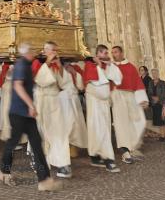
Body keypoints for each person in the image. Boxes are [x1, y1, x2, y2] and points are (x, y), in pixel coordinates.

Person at [0, 43, 62, 192]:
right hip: (18, 113)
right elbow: (18, 86)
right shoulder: (21, 65)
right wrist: (31, 105)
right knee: (12, 143)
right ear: (26, 53)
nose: (34, 53)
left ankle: (44, 180)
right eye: (32, 51)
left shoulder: (27, 65)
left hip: (27, 114)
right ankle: (4, 171)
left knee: (37, 144)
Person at [32, 41, 72, 178]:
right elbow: (39, 80)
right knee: (42, 133)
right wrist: (47, 63)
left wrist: (60, 67)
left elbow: (63, 83)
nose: (55, 53)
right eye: (53, 50)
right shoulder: (37, 62)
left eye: (56, 50)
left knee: (60, 132)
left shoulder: (56, 64)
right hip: (42, 102)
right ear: (46, 51)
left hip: (55, 101)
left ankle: (62, 163)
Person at [83, 44, 122, 173]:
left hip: (104, 103)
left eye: (107, 53)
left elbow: (117, 79)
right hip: (94, 102)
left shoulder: (107, 65)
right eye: (105, 53)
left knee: (103, 129)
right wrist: (99, 65)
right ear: (98, 54)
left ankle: (98, 156)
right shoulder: (90, 65)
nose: (107, 55)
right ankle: (107, 159)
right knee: (96, 129)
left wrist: (110, 64)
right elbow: (93, 81)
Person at [111, 46, 149, 164]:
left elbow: (137, 82)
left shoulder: (130, 67)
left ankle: (132, 146)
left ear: (122, 52)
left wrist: (142, 99)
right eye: (112, 52)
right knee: (121, 126)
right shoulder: (111, 67)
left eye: (116, 52)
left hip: (131, 97)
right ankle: (125, 152)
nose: (113, 54)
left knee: (139, 121)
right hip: (117, 98)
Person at [59, 62, 88, 153]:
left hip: (73, 99)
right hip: (62, 99)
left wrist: (74, 73)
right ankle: (64, 146)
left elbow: (81, 87)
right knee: (64, 123)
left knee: (75, 124)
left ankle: (72, 146)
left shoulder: (76, 69)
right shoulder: (57, 69)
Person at [148, 69, 165, 141]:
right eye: (152, 73)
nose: (154, 74)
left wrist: (158, 98)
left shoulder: (163, 82)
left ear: (158, 74)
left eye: (155, 73)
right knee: (159, 120)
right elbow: (149, 92)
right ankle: (162, 136)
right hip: (155, 104)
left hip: (163, 103)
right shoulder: (150, 82)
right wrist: (152, 97)